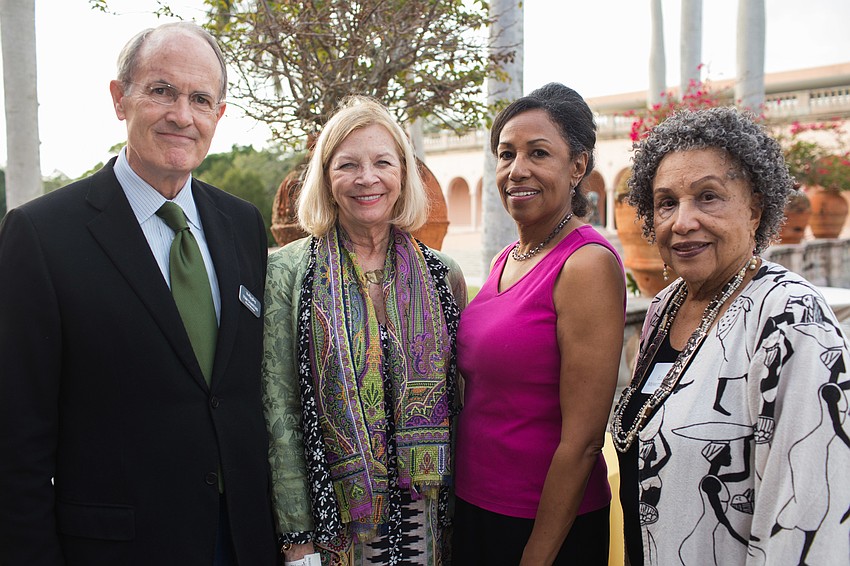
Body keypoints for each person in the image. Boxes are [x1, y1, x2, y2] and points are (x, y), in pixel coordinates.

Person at [0, 23, 277, 565]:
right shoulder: (41, 235)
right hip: (116, 548)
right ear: (119, 98)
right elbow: (16, 440)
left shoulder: (243, 224)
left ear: (219, 115)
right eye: (161, 91)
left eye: (201, 99)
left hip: (242, 540)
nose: (182, 115)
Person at [610, 106, 850, 565]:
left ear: (755, 208)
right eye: (666, 203)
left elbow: (806, 514)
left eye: (708, 197)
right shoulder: (665, 309)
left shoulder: (791, 320)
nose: (682, 221)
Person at [261, 95, 467, 565]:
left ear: (402, 175)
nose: (366, 178)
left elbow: (462, 401)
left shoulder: (443, 275)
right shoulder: (288, 274)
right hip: (332, 524)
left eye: (382, 162)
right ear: (327, 179)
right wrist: (297, 539)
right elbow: (279, 411)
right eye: (347, 164)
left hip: (430, 523)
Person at [452, 83, 626, 565]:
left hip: (544, 527)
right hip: (477, 507)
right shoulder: (508, 258)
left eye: (538, 153)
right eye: (506, 154)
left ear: (577, 166)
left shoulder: (585, 264)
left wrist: (537, 556)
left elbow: (585, 439)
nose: (517, 170)